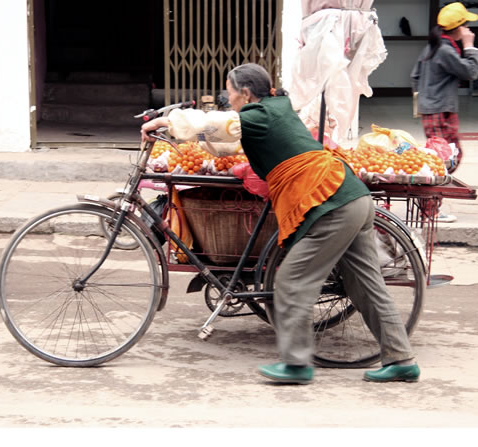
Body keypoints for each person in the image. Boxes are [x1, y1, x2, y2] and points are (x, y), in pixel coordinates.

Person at [142, 63, 420, 385]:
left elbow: (222, 123)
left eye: (230, 93)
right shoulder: (274, 109)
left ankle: (297, 364)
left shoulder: (258, 114)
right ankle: (401, 360)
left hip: (330, 201)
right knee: (366, 285)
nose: (228, 99)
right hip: (352, 197)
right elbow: (226, 136)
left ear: (245, 93)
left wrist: (167, 121)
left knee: (291, 280)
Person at [411, 2, 478, 222]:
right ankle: (430, 207)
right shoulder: (445, 49)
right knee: (445, 159)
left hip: (433, 109)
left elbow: (415, 76)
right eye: (466, 26)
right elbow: (471, 71)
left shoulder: (434, 47)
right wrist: (470, 46)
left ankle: (430, 203)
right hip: (440, 111)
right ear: (459, 28)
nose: (468, 30)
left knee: (444, 157)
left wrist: (424, 98)